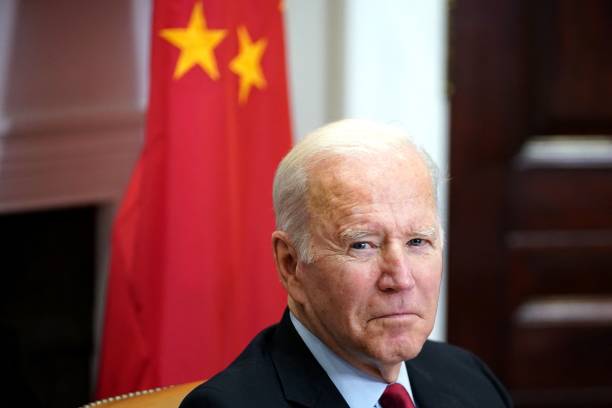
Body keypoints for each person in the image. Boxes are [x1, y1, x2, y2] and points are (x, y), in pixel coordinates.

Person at [180, 119, 512, 407]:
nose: (400, 279)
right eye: (362, 245)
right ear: (291, 264)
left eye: (417, 242)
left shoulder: (470, 378)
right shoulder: (226, 405)